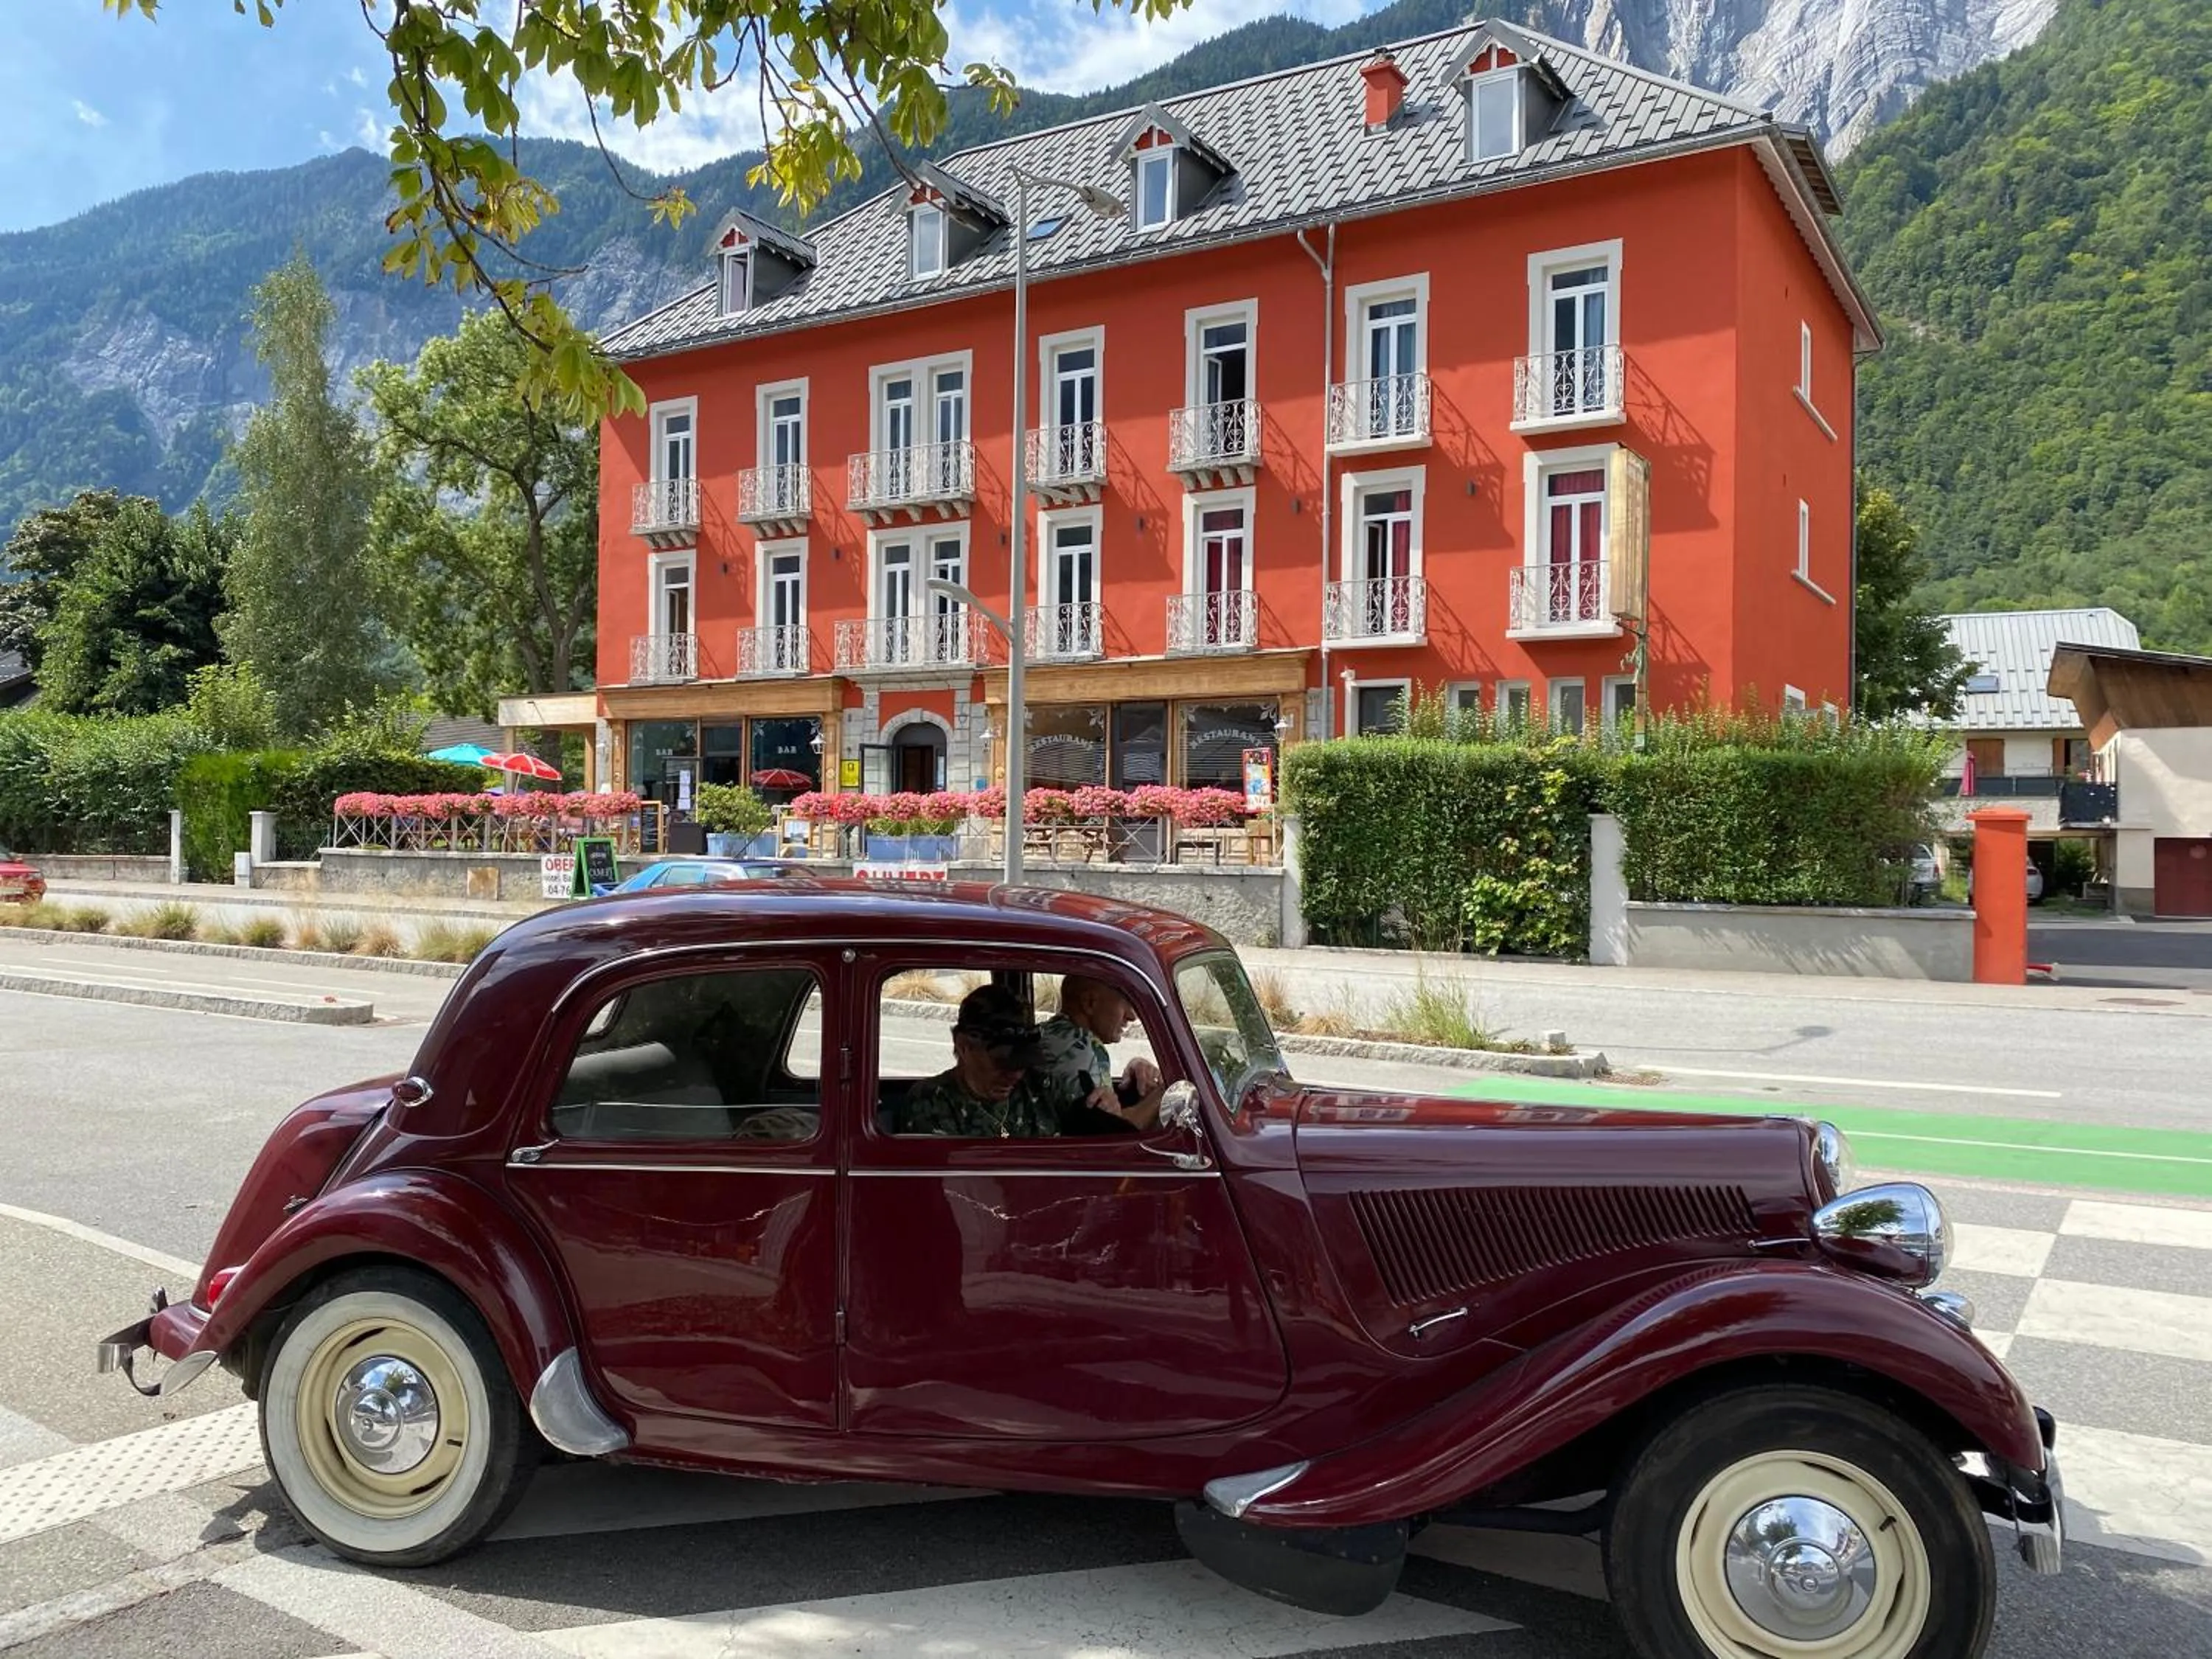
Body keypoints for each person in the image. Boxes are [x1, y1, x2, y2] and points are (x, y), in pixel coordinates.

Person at [894, 984, 1054, 1137]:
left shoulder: (1040, 1086)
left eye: (1022, 1062)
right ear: (964, 1047)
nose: (1016, 1075)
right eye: (1002, 1062)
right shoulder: (932, 1102)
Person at [1023, 973, 1165, 1133]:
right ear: (1090, 1003)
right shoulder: (1081, 1047)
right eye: (1125, 1002)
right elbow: (1114, 1133)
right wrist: (1164, 1092)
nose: (1132, 1016)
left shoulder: (1049, 1033)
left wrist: (1135, 1065)